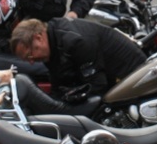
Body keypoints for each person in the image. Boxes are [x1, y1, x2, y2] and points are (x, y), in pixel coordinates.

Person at [11, 17, 147, 105]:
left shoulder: (75, 41)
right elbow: (58, 88)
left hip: (135, 82)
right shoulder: (51, 43)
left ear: (38, 37)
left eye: (30, 55)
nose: (31, 62)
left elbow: (97, 89)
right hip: (113, 80)